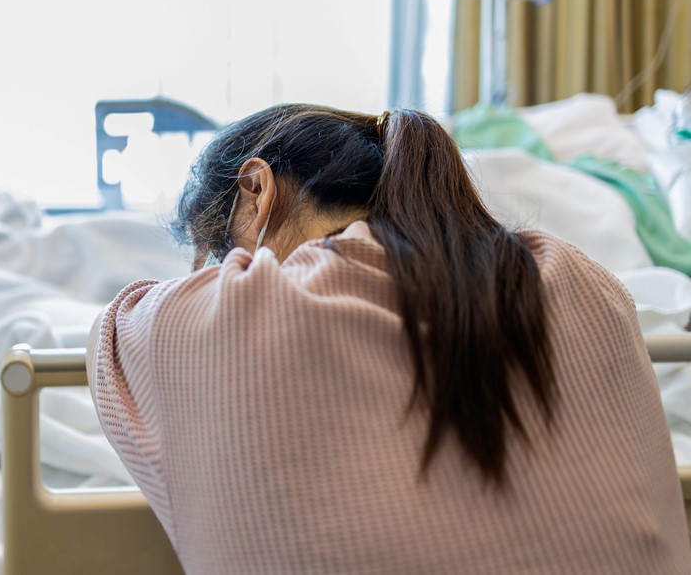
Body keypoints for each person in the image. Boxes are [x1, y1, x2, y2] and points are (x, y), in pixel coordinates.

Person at [87, 104, 691, 574]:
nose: (220, 275)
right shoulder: (586, 282)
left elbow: (115, 328)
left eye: (220, 253)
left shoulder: (219, 318)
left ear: (257, 188)